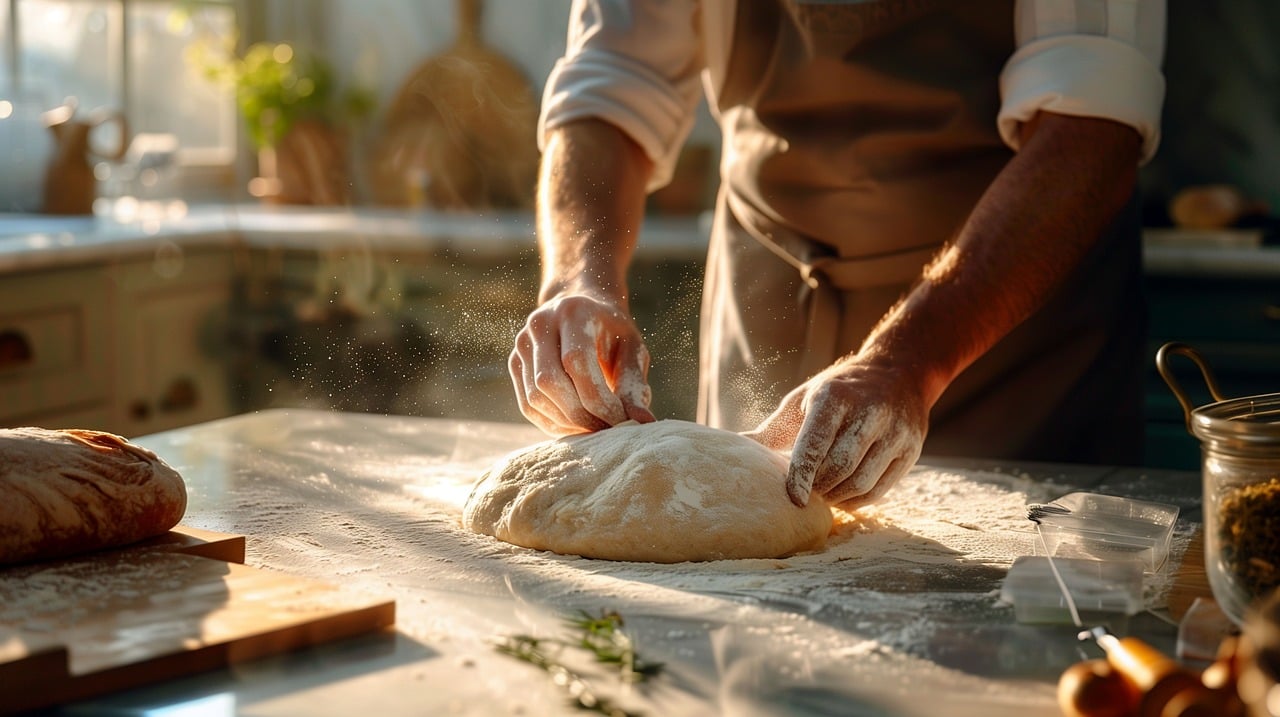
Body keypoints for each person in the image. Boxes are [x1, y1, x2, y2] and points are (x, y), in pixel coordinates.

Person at [508, 1, 1166, 511]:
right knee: (746, 611)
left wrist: (909, 359)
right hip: (771, 294)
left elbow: (1091, 126)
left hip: (1010, 343)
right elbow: (614, 79)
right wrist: (580, 279)